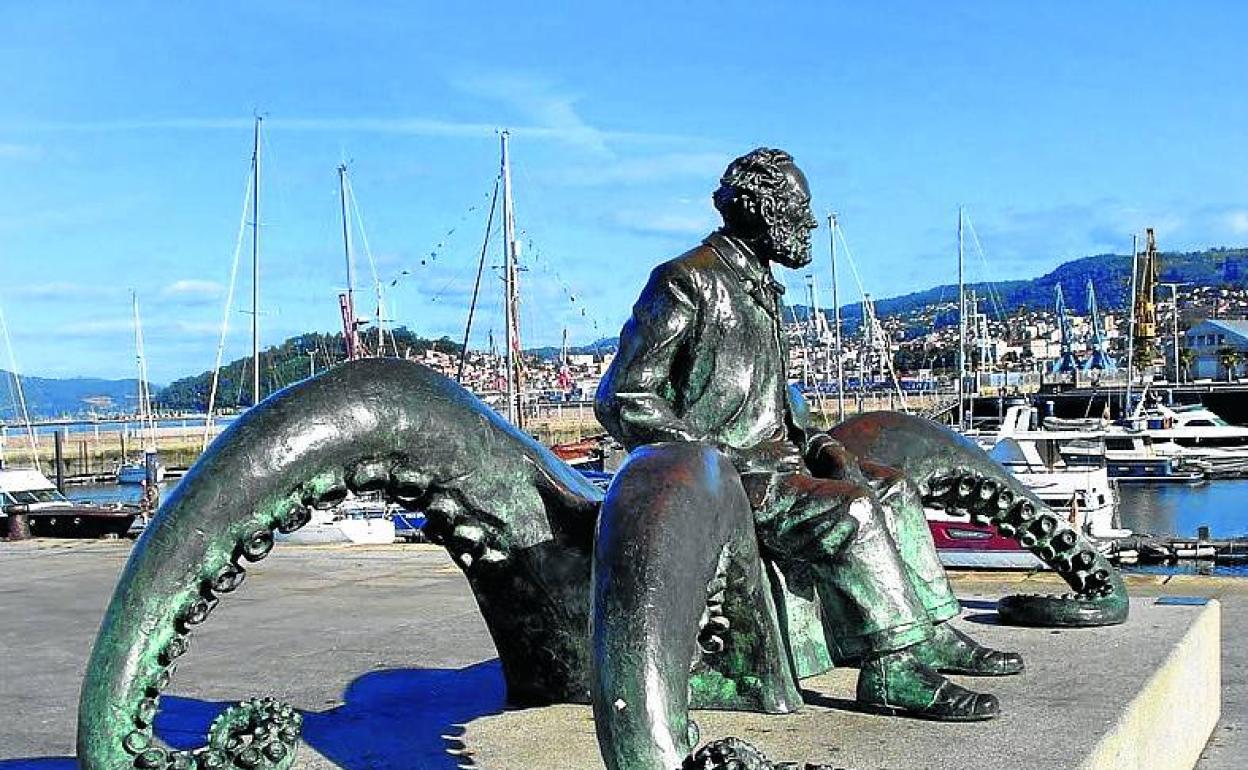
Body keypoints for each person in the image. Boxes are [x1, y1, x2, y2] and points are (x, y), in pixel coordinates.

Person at [595, 148, 1022, 721]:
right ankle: (891, 669)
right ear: (756, 208)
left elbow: (772, 404)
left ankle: (928, 633)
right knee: (851, 513)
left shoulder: (758, 286)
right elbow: (623, 396)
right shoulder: (686, 281)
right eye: (797, 208)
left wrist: (820, 443)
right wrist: (710, 459)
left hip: (781, 460)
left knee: (892, 489)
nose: (808, 223)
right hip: (732, 475)